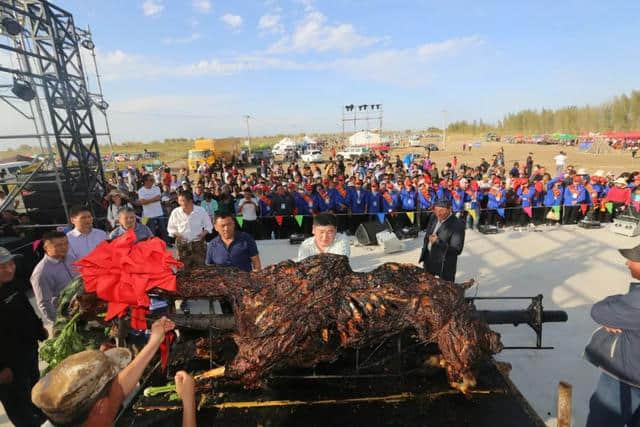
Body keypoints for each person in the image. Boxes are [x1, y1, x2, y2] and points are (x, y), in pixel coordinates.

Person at [32, 317, 197, 427]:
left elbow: (115, 389)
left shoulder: (63, 414)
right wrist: (188, 402)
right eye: (115, 381)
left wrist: (154, 342)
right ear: (101, 406)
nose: (120, 380)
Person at [585, 244, 640, 426]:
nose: (627, 263)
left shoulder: (636, 303)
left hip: (627, 380)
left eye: (633, 260)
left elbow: (599, 311)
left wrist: (619, 306)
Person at [0, 247, 48, 426]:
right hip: (8, 366)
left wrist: (38, 328)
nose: (10, 269)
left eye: (10, 264)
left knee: (34, 390)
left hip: (28, 350)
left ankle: (41, 418)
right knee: (17, 402)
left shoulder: (11, 284)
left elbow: (26, 309)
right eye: (2, 266)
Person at [31, 231, 77, 325]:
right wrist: (59, 322)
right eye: (59, 245)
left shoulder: (70, 258)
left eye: (66, 243)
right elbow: (44, 303)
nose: (64, 247)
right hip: (65, 317)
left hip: (80, 310)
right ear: (46, 248)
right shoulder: (41, 272)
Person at [418, 198, 466, 282]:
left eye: (442, 210)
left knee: (446, 289)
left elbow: (457, 250)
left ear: (449, 209)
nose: (438, 213)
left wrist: (438, 242)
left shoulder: (457, 225)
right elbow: (428, 234)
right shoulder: (433, 217)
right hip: (428, 259)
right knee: (427, 286)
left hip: (444, 264)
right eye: (436, 210)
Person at [167, 191, 213, 270]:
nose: (180, 203)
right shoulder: (175, 212)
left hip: (198, 244)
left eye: (182, 200)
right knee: (183, 270)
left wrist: (203, 234)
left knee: (200, 270)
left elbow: (209, 226)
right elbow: (171, 228)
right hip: (183, 245)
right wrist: (178, 235)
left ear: (190, 201)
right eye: (179, 201)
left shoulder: (200, 211)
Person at [137, 174, 169, 244]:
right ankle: (153, 245)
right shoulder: (141, 191)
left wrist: (147, 200)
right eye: (151, 180)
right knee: (152, 231)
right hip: (148, 215)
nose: (153, 181)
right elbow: (143, 202)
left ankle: (167, 243)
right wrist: (153, 199)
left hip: (159, 213)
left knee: (163, 229)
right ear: (145, 181)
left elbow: (158, 198)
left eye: (153, 180)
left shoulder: (156, 188)